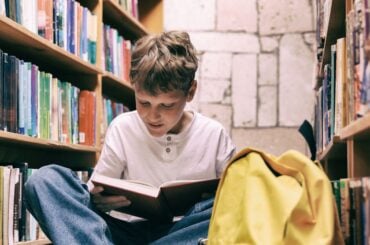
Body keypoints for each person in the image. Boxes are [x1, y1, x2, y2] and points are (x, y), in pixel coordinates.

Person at [24, 31, 236, 244]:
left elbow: (231, 205)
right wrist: (99, 200)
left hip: (182, 232)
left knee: (231, 205)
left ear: (190, 92)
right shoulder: (122, 127)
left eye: (167, 105)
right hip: (124, 232)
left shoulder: (213, 134)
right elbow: (95, 194)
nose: (152, 116)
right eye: (143, 103)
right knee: (44, 181)